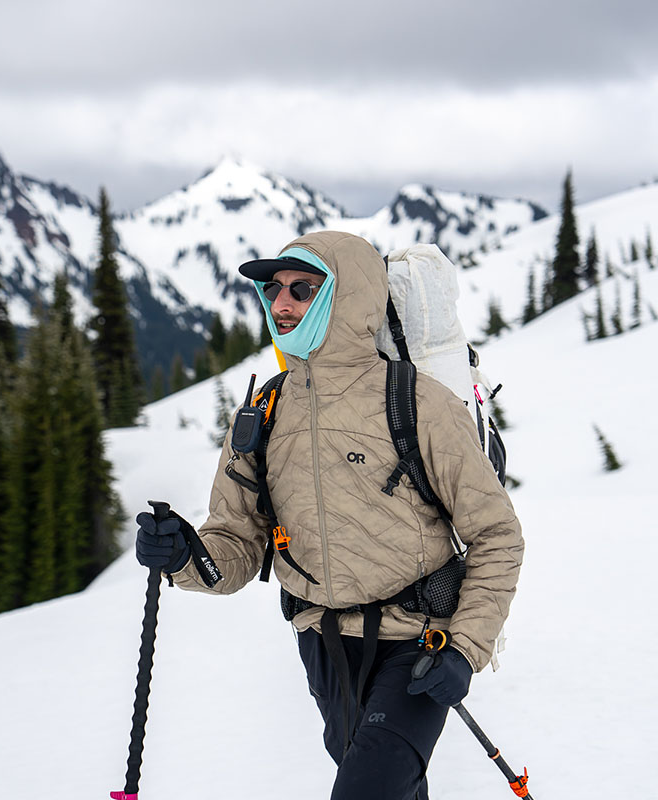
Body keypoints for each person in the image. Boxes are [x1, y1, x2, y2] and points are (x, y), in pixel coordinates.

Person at [136, 230, 523, 800]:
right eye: (274, 290)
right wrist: (183, 555)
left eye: (302, 289)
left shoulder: (418, 403)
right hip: (323, 644)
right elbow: (236, 546)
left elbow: (497, 535)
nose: (281, 303)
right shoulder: (263, 412)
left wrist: (466, 648)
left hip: (420, 642)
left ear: (346, 296)